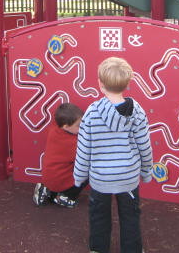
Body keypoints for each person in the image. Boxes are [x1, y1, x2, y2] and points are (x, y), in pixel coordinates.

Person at [74, 57, 153, 253]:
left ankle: (98, 248)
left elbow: (84, 149)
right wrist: (146, 171)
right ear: (128, 83)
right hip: (128, 177)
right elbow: (145, 145)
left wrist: (79, 176)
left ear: (100, 84)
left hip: (101, 178)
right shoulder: (138, 112)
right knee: (131, 216)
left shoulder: (92, 113)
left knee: (98, 216)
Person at [33, 102, 86, 208]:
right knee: (87, 171)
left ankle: (47, 190)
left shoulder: (54, 128)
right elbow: (84, 158)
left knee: (60, 173)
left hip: (49, 177)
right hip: (61, 181)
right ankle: (65, 197)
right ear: (66, 126)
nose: (83, 127)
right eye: (79, 125)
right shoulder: (72, 144)